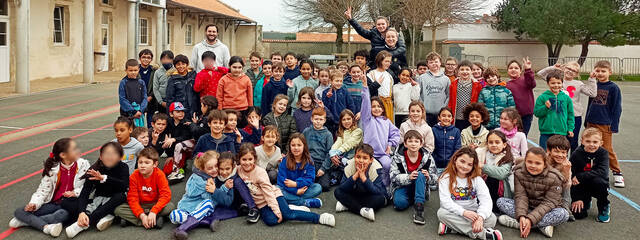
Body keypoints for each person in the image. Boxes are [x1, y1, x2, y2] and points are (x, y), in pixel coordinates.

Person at [236, 143, 336, 227]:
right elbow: (229, 169)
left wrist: (277, 211)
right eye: (244, 160)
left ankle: (318, 218)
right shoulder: (239, 169)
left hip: (273, 196)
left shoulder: (260, 173)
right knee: (271, 221)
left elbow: (268, 194)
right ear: (239, 160)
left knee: (288, 215)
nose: (247, 163)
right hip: (261, 204)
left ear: (255, 159)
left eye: (250, 159)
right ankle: (290, 207)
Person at [10, 138, 90, 237]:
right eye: (74, 149)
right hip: (53, 203)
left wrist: (75, 193)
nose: (78, 150)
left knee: (61, 215)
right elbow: (42, 191)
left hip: (68, 205)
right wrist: (34, 204)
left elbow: (87, 186)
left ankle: (27, 222)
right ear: (63, 155)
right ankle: (45, 226)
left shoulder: (83, 165)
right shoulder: (52, 169)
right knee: (19, 211)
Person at [496, 148, 569, 238]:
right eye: (529, 162)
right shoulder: (518, 172)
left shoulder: (555, 177)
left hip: (546, 210)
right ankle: (540, 226)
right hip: (527, 207)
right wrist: (522, 216)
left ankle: (519, 224)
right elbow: (520, 196)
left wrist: (530, 220)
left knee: (563, 214)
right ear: (525, 161)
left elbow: (549, 202)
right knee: (500, 201)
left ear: (545, 164)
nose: (533, 166)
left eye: (538, 163)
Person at [65, 142, 130, 238]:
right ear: (100, 156)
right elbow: (85, 193)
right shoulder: (94, 169)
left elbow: (124, 186)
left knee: (120, 196)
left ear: (120, 157)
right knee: (66, 202)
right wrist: (81, 212)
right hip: (98, 200)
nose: (109, 157)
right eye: (106, 153)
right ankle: (103, 216)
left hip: (115, 200)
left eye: (114, 154)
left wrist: (104, 178)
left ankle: (84, 224)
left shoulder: (123, 167)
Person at [437, 147, 502, 240]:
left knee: (492, 219)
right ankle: (484, 234)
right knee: (441, 213)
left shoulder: (477, 180)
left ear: (473, 166)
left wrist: (480, 218)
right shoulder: (445, 178)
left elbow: (486, 200)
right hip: (455, 212)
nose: (465, 166)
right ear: (455, 159)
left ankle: (453, 228)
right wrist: (463, 212)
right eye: (462, 161)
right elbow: (445, 202)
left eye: (469, 164)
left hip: (474, 213)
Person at [538, 61, 597, 152]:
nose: (570, 71)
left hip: (574, 115)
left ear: (577, 74)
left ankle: (572, 162)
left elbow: (592, 93)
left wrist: (592, 79)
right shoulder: (557, 80)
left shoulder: (578, 84)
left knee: (572, 141)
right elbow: (540, 74)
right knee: (558, 142)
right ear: (564, 68)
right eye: (568, 68)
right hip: (559, 116)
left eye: (574, 70)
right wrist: (552, 68)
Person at [584, 60, 623, 188]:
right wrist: (586, 120)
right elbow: (589, 104)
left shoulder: (613, 88)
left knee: (606, 149)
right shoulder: (593, 84)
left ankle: (617, 172)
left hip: (605, 123)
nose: (600, 73)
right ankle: (589, 169)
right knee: (588, 146)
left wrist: (614, 125)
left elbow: (617, 108)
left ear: (610, 72)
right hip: (591, 121)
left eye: (603, 71)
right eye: (598, 71)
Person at [115, 148, 174, 229]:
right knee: (118, 209)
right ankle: (153, 221)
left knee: (170, 206)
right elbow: (132, 198)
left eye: (147, 163)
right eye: (140, 162)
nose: (142, 165)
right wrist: (142, 215)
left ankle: (133, 220)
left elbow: (165, 195)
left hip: (155, 203)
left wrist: (154, 211)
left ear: (155, 164)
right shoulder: (134, 176)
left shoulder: (159, 175)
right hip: (140, 205)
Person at [360, 77, 401, 188]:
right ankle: (367, 186)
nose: (376, 109)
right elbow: (365, 102)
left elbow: (396, 134)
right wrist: (365, 87)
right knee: (367, 169)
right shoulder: (367, 119)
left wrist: (390, 144)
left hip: (382, 154)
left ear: (383, 109)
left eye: (379, 106)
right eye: (373, 107)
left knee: (387, 165)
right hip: (368, 154)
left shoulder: (386, 121)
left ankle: (385, 187)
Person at [390, 130, 437, 225]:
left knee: (420, 174)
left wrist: (428, 177)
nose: (413, 144)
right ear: (405, 144)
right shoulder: (397, 157)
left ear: (421, 144)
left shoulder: (428, 157)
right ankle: (414, 198)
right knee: (399, 204)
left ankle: (419, 207)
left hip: (420, 184)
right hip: (403, 186)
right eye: (410, 141)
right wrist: (408, 177)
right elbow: (393, 177)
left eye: (416, 141)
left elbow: (435, 178)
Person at [334, 144, 388, 221]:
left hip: (369, 195)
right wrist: (355, 176)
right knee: (337, 192)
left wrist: (363, 178)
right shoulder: (349, 165)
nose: (361, 161)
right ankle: (362, 210)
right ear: (354, 157)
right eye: (358, 157)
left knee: (380, 199)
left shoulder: (376, 168)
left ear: (371, 160)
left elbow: (377, 191)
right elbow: (342, 187)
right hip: (355, 192)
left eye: (365, 158)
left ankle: (347, 205)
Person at [208, 152, 261, 228]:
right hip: (224, 201)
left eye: (227, 169)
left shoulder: (233, 179)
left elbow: (228, 201)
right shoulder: (216, 176)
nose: (224, 172)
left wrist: (215, 191)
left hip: (234, 200)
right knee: (211, 211)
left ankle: (253, 208)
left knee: (238, 182)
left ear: (233, 166)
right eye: (221, 169)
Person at [570, 128, 610, 222]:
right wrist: (577, 198)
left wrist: (581, 176)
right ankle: (586, 199)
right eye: (588, 141)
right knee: (579, 215)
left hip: (597, 184)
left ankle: (604, 205)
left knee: (599, 182)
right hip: (581, 185)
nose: (591, 144)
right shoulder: (576, 154)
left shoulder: (603, 153)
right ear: (582, 141)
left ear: (601, 143)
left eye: (595, 142)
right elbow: (571, 175)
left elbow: (603, 172)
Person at [276, 134, 323, 208]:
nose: (296, 148)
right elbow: (281, 180)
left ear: (304, 146)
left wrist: (296, 184)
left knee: (318, 187)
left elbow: (310, 179)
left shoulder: (309, 160)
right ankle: (304, 202)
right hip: (288, 189)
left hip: (301, 187)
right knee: (277, 190)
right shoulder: (285, 160)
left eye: (299, 145)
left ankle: (291, 200)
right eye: (293, 145)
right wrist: (295, 191)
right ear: (290, 147)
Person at [534, 69, 574, 149]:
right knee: (545, 154)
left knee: (560, 153)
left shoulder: (566, 98)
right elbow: (537, 113)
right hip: (546, 132)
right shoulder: (543, 97)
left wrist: (570, 128)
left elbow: (570, 115)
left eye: (559, 83)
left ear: (562, 83)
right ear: (548, 83)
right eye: (553, 83)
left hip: (561, 132)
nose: (556, 85)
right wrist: (545, 107)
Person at [477, 130, 515, 213]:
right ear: (487, 144)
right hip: (481, 189)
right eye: (491, 142)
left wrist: (483, 166)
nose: (494, 145)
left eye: (497, 142)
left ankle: (493, 208)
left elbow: (501, 174)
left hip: (499, 192)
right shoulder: (480, 153)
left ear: (504, 144)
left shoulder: (507, 157)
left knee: (493, 178)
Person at [302, 109, 335, 191]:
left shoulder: (328, 135)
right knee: (302, 182)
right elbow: (301, 147)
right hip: (308, 162)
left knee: (325, 186)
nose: (318, 122)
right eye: (316, 119)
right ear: (312, 119)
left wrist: (323, 169)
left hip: (321, 163)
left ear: (324, 120)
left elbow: (329, 153)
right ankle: (311, 178)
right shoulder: (306, 131)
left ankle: (320, 177)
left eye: (321, 119)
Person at [217, 56, 253, 128]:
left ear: (242, 67)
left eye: (239, 67)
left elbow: (249, 95)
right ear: (229, 66)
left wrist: (250, 107)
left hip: (242, 110)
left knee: (241, 130)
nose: (237, 70)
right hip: (227, 109)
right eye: (234, 67)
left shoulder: (246, 79)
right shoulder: (223, 80)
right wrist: (220, 110)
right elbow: (219, 96)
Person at [163, 102, 195, 182]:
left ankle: (176, 172)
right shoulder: (169, 123)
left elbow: (185, 137)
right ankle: (181, 166)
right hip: (178, 151)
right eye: (178, 111)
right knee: (166, 171)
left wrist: (174, 139)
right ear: (171, 114)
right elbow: (167, 140)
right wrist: (170, 155)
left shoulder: (186, 122)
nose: (181, 113)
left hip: (190, 148)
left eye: (182, 111)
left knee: (178, 145)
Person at [448, 60, 483, 130]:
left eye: (467, 69)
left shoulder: (477, 85)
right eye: (462, 69)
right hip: (457, 116)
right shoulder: (453, 84)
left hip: (470, 117)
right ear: (458, 71)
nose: (465, 72)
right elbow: (451, 101)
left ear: (471, 71)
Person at [419, 52, 451, 126]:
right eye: (431, 62)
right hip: (426, 113)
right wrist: (422, 107)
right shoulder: (422, 78)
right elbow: (418, 94)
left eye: (436, 62)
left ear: (440, 63)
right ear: (427, 64)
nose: (434, 64)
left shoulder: (446, 79)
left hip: (440, 114)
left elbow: (448, 95)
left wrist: (444, 107)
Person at [505, 57, 536, 135]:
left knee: (522, 135)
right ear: (507, 71)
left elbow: (532, 83)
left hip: (526, 115)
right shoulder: (506, 85)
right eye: (511, 68)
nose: (513, 70)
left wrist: (528, 70)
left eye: (516, 68)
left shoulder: (525, 80)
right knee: (513, 135)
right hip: (513, 115)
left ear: (520, 70)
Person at [329, 109, 363, 179]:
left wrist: (337, 152)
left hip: (353, 159)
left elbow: (349, 144)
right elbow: (338, 142)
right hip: (343, 158)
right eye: (344, 120)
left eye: (348, 119)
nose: (346, 121)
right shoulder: (342, 132)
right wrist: (332, 152)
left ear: (353, 119)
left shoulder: (358, 131)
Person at [546, 135, 573, 220]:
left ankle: (564, 207)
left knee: (566, 187)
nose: (560, 155)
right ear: (548, 151)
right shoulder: (543, 161)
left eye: (563, 152)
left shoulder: (566, 164)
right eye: (556, 152)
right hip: (542, 193)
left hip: (557, 194)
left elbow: (566, 187)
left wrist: (566, 172)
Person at [367, 51, 395, 122]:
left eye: (389, 62)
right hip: (377, 104)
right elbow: (368, 90)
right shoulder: (371, 74)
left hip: (388, 104)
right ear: (380, 61)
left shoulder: (389, 75)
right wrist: (377, 83)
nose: (388, 64)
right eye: (386, 61)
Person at [432, 107, 462, 174]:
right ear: (439, 117)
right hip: (436, 165)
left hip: (451, 165)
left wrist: (452, 161)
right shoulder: (433, 130)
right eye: (443, 115)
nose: (446, 118)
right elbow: (431, 147)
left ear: (452, 119)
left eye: (449, 116)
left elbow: (457, 148)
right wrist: (435, 159)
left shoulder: (456, 131)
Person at [118, 59, 147, 125]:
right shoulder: (123, 82)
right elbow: (122, 99)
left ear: (138, 70)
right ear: (126, 70)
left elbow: (145, 97)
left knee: (138, 132)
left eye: (135, 70)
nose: (133, 72)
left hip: (139, 112)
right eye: (130, 70)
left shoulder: (141, 82)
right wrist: (133, 111)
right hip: (127, 113)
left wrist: (140, 110)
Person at [151, 50, 175, 115]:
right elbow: (155, 88)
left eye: (168, 59)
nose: (166, 61)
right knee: (162, 119)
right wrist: (161, 102)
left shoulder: (176, 71)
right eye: (164, 59)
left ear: (172, 60)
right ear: (161, 60)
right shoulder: (157, 72)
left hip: (173, 100)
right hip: (162, 100)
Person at [138, 49, 157, 127]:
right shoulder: (136, 70)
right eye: (143, 57)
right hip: (139, 100)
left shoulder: (154, 71)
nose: (146, 59)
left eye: (148, 57)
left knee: (150, 122)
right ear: (140, 59)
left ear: (151, 59)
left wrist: (151, 96)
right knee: (139, 122)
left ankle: (151, 137)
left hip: (151, 100)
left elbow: (156, 85)